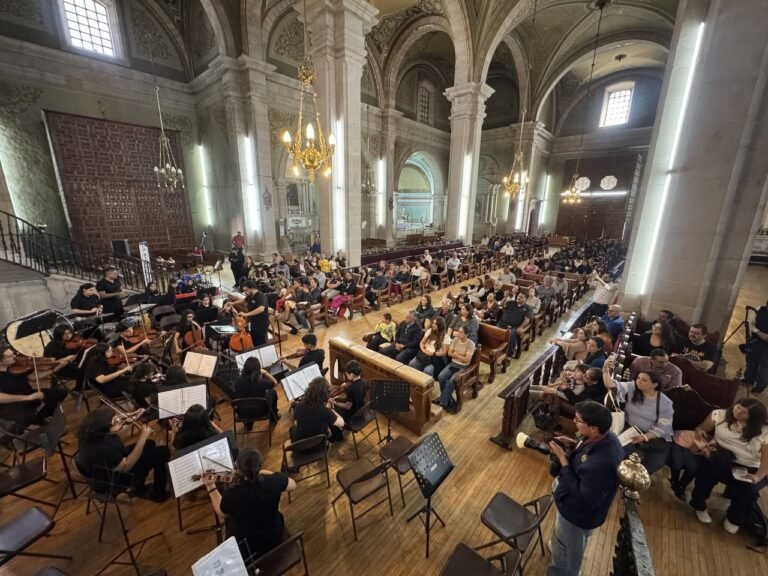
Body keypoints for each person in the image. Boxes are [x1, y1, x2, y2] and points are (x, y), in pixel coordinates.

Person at [546, 401, 624, 576]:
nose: (574, 422)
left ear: (594, 428)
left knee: (568, 552)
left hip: (577, 514)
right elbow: (586, 457)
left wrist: (563, 460)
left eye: (578, 420)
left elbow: (585, 497)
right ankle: (562, 550)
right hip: (578, 511)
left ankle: (565, 568)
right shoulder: (606, 437)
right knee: (570, 542)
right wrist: (574, 445)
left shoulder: (603, 462)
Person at [689, 398, 768, 533]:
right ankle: (699, 505)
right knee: (708, 470)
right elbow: (701, 428)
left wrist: (758, 476)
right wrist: (700, 432)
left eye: (745, 412)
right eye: (738, 407)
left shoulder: (764, 431)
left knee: (749, 489)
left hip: (749, 464)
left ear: (754, 417)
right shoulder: (719, 415)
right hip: (721, 455)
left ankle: (734, 518)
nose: (738, 412)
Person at [203, 448, 296, 561]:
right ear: (259, 466)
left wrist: (210, 486)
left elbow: (222, 513)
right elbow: (292, 485)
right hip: (275, 535)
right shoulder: (274, 481)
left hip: (248, 548)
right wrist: (265, 473)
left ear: (238, 468)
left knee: (230, 520)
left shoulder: (233, 495)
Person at [75, 407, 170, 501]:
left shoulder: (91, 436)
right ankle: (158, 494)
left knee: (149, 444)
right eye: (115, 422)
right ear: (104, 427)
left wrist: (133, 417)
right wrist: (142, 437)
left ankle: (140, 488)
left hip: (107, 469)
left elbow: (118, 435)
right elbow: (126, 465)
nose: (119, 422)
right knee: (163, 452)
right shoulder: (104, 449)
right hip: (117, 479)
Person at [602, 364, 674, 475]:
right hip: (630, 428)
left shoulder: (665, 403)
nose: (639, 381)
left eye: (644, 380)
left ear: (654, 385)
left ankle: (630, 484)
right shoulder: (633, 387)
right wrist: (605, 371)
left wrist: (644, 437)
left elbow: (663, 427)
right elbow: (610, 385)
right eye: (638, 378)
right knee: (619, 451)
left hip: (653, 435)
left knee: (651, 466)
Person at [0, 345, 69, 432]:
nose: (15, 357)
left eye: (13, 354)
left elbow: (32, 377)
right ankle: (8, 439)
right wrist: (27, 398)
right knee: (27, 416)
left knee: (60, 393)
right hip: (11, 403)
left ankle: (42, 418)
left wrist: (54, 370)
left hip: (28, 394)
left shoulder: (14, 367)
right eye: (10, 356)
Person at [290, 377, 344, 444]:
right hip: (319, 446)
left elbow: (296, 423)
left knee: (292, 429)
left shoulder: (298, 406)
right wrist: (331, 409)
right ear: (325, 394)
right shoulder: (324, 411)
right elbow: (341, 423)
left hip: (299, 446)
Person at [434, 326, 475, 413]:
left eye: (460, 332)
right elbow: (449, 353)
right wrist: (460, 356)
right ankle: (448, 399)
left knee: (451, 382)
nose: (458, 333)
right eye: (458, 331)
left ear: (466, 335)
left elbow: (467, 360)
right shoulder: (455, 339)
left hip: (463, 367)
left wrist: (455, 354)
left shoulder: (470, 344)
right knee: (441, 377)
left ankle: (443, 402)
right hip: (453, 363)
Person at [233, 356, 279, 424]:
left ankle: (249, 424)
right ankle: (273, 418)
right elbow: (275, 383)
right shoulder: (262, 383)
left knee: (247, 399)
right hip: (261, 412)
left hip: (243, 413)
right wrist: (265, 373)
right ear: (258, 369)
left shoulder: (237, 382)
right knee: (273, 392)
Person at [239, 281, 270, 346]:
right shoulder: (250, 295)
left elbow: (261, 309)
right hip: (254, 322)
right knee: (255, 341)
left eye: (246, 290)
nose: (245, 292)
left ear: (252, 288)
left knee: (260, 343)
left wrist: (246, 314)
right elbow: (242, 301)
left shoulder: (260, 296)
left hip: (261, 323)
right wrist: (232, 303)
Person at [746, 302, 768, 393]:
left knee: (765, 365)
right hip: (757, 339)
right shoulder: (759, 309)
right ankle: (749, 378)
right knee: (752, 359)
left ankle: (761, 385)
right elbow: (750, 323)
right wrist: (759, 333)